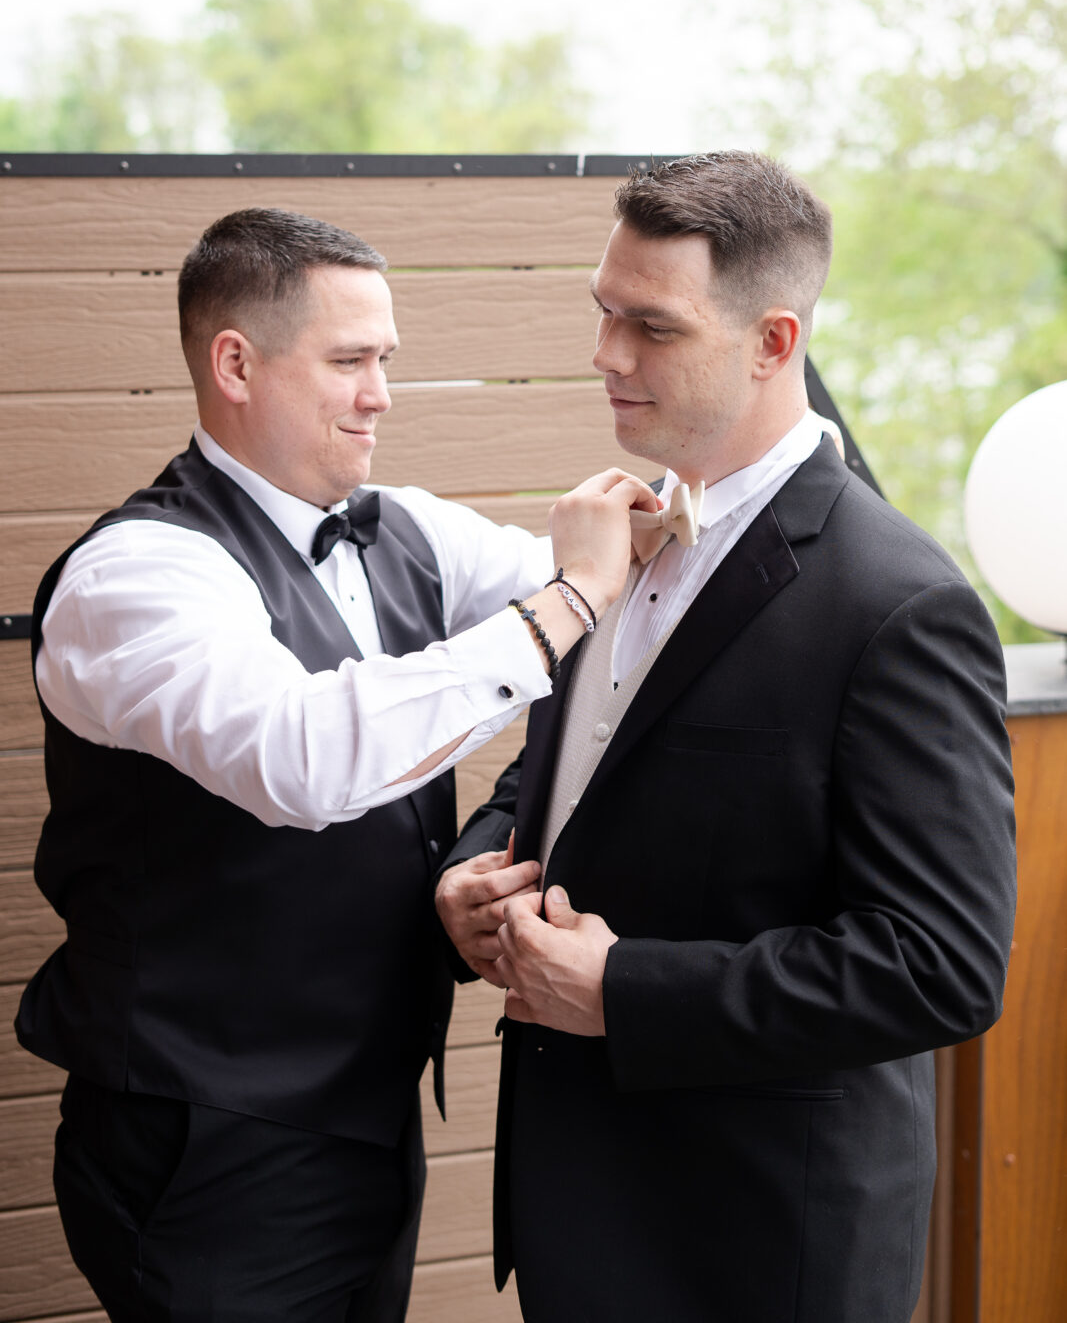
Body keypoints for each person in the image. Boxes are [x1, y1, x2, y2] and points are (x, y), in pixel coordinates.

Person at [16, 206, 655, 1323]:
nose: (381, 395)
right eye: (350, 361)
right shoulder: (135, 575)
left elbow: (621, 590)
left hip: (366, 1119)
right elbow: (306, 757)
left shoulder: (401, 527)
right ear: (234, 364)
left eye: (386, 362)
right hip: (206, 1142)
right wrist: (567, 601)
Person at [436, 151, 1017, 1323]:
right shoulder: (609, 535)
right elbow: (573, 777)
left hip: (755, 1245)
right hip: (575, 1207)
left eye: (649, 326)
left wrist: (623, 988)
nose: (604, 354)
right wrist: (474, 870)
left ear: (772, 339)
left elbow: (941, 965)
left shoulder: (896, 603)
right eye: (602, 311)